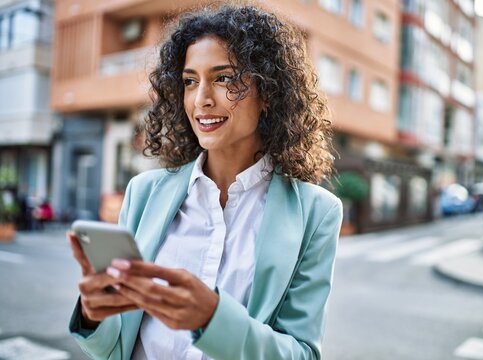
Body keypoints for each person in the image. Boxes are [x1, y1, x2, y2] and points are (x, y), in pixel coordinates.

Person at [67, 4, 342, 360]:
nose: (201, 100)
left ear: (269, 92)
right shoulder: (144, 193)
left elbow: (302, 353)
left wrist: (214, 319)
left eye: (224, 78)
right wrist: (94, 314)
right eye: (190, 81)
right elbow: (114, 349)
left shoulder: (316, 213)